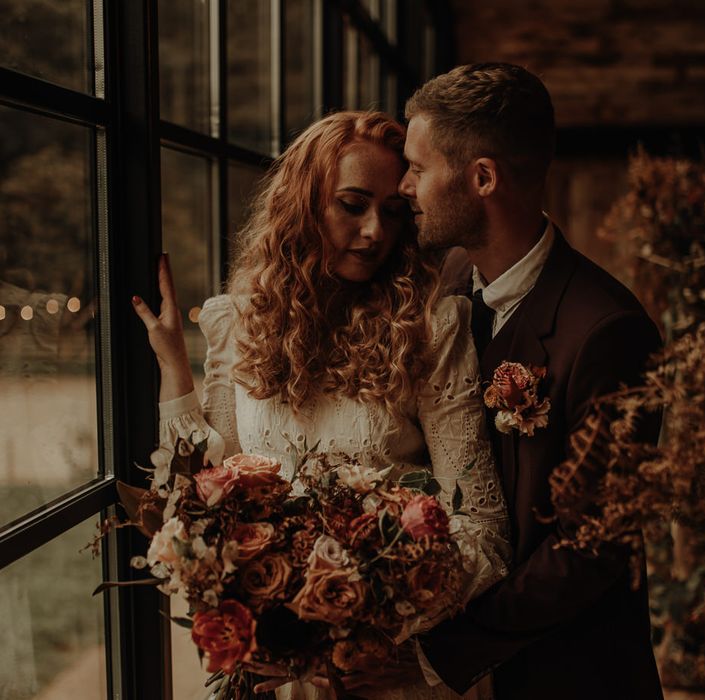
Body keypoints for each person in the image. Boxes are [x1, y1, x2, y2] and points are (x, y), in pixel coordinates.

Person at [132, 110, 510, 700]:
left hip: (385, 669)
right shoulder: (239, 321)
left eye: (391, 211)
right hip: (273, 673)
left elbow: (483, 529)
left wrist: (373, 623)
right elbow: (205, 489)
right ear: (304, 206)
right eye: (352, 205)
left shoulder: (431, 328)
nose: (374, 232)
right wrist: (174, 366)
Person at [397, 64, 664, 699]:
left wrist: (443, 653)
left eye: (418, 167)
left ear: (481, 177)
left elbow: (592, 547)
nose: (404, 186)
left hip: (566, 677)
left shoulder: (608, 332)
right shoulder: (448, 283)